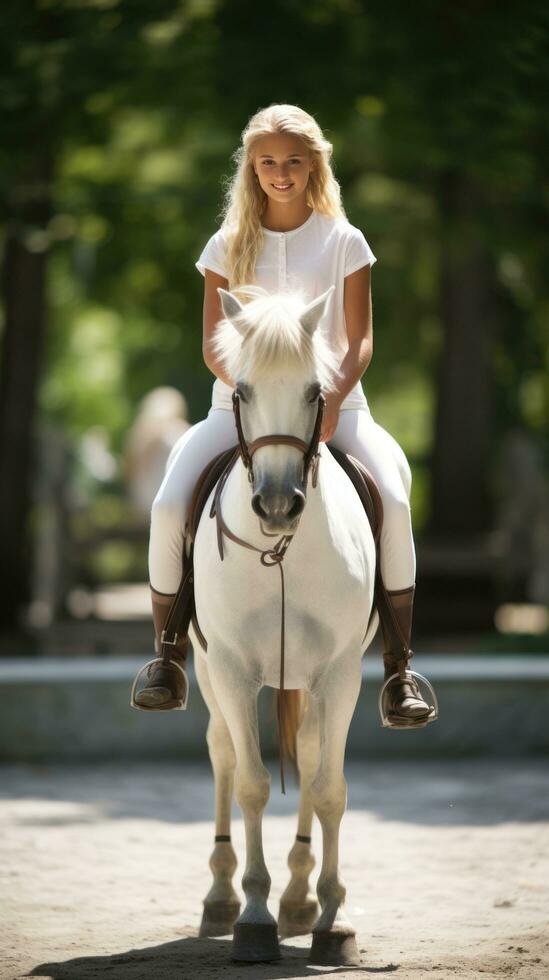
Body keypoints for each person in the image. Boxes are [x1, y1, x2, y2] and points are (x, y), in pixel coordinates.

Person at [132, 102, 435, 725]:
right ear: (251, 168)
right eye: (267, 162)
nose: (280, 172)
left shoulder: (344, 241)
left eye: (292, 162)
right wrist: (254, 400)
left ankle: (400, 669)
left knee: (397, 504)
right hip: (238, 410)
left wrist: (326, 399)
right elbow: (215, 344)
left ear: (312, 166)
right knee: (168, 505)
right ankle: (167, 657)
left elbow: (360, 341)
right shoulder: (225, 244)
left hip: (336, 407)